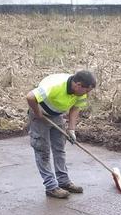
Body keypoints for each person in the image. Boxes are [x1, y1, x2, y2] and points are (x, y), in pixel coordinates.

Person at [25, 70, 97, 198]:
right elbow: (30, 97)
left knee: (59, 148)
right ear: (78, 85)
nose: (87, 94)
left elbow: (75, 108)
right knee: (42, 150)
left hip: (57, 115)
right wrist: (37, 112)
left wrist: (71, 129)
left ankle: (63, 182)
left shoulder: (80, 92)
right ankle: (51, 187)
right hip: (40, 116)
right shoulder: (55, 85)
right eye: (86, 90)